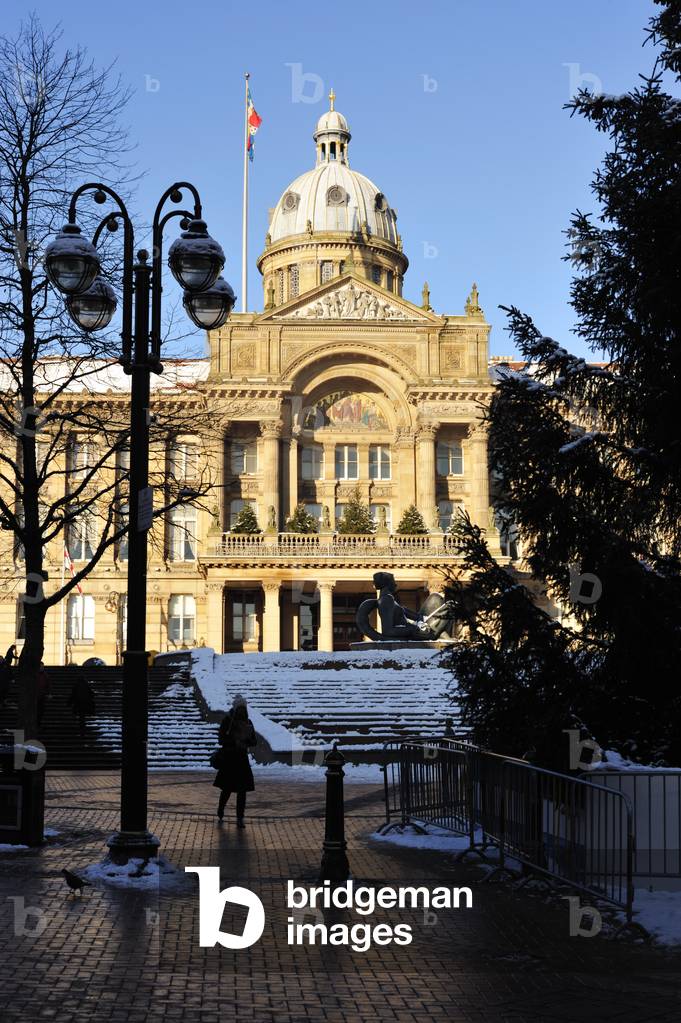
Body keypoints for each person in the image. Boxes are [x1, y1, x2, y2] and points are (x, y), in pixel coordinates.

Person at [213, 695, 257, 827]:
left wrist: (246, 741)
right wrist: (234, 741)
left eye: (243, 709)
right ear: (236, 708)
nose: (242, 712)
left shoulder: (248, 722)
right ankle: (221, 809)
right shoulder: (227, 721)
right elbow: (221, 739)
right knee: (227, 788)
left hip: (242, 760)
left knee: (242, 791)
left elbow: (254, 741)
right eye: (240, 709)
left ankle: (240, 818)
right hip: (229, 759)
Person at [67, 674, 95, 738]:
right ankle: (83, 731)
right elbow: (92, 694)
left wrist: (69, 703)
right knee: (83, 718)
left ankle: (81, 730)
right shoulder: (86, 685)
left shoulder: (76, 685)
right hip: (85, 705)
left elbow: (73, 695)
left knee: (81, 718)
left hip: (78, 705)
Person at [37, 662, 50, 727]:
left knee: (41, 711)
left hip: (42, 696)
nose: (42, 668)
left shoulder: (45, 675)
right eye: (40, 666)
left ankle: (38, 724)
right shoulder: (35, 675)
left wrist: (48, 693)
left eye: (42, 666)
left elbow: (48, 685)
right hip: (36, 696)